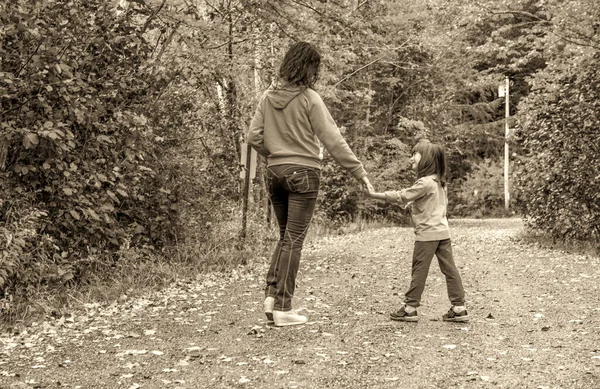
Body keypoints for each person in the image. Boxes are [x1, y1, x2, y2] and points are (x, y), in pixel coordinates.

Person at [247, 41, 374, 327]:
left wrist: (276, 155)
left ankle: (271, 297)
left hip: (275, 173)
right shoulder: (309, 98)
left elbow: (253, 137)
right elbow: (333, 139)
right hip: (304, 173)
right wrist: (359, 172)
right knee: (294, 239)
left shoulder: (267, 97)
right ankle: (282, 307)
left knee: (284, 237)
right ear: (308, 68)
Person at [367, 139, 468, 322]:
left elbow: (402, 195)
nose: (411, 158)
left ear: (426, 158)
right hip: (443, 232)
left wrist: (376, 195)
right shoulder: (439, 182)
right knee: (450, 269)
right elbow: (437, 205)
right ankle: (459, 307)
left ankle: (410, 307)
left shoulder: (424, 183)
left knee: (419, 270)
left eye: (414, 154)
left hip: (427, 235)